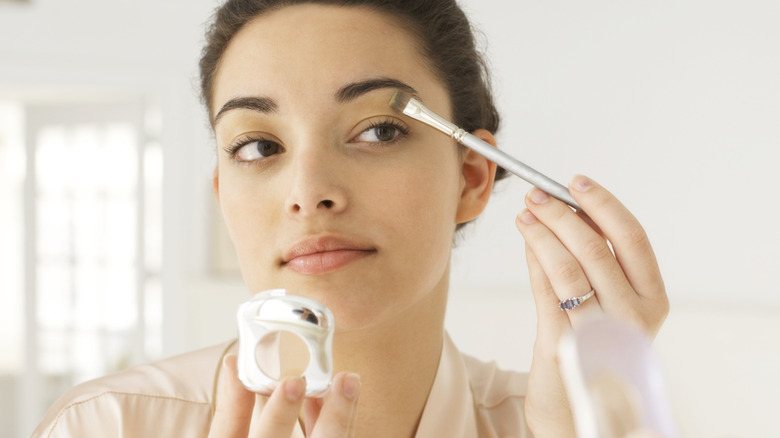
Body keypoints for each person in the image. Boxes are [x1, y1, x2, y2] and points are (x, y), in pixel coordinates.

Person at [31, 0, 669, 437]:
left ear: (473, 177)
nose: (309, 193)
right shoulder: (106, 425)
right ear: (224, 196)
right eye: (259, 146)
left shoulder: (566, 425)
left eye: (379, 131)